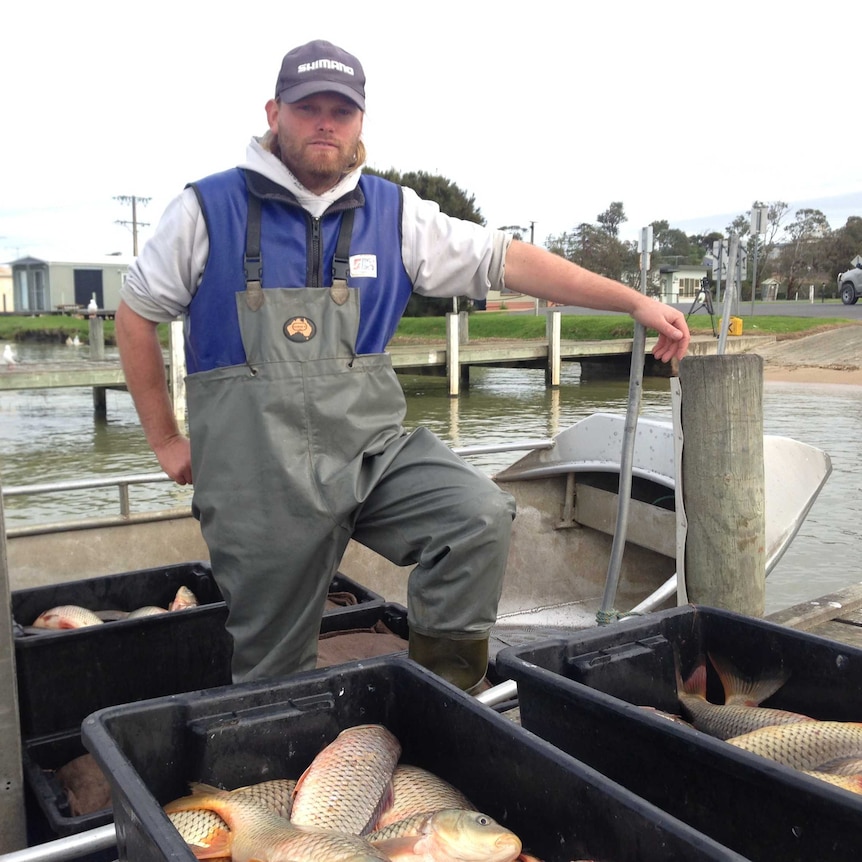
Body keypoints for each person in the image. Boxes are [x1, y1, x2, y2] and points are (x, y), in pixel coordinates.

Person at [116, 39, 690, 693]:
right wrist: (165, 438)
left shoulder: (394, 213)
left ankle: (439, 698)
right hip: (259, 481)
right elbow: (135, 315)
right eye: (309, 108)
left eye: (342, 110)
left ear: (361, 120)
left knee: (476, 517)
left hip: (368, 454)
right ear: (275, 113)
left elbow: (509, 261)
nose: (325, 123)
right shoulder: (205, 210)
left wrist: (635, 301)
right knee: (272, 675)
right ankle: (278, 759)